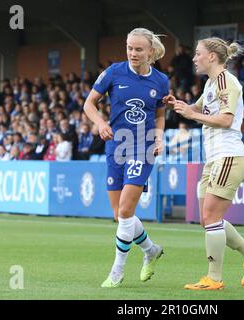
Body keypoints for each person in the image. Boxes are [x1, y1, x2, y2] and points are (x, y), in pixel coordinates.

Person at [169, 37, 244, 290]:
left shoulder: (227, 82)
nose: (194, 58)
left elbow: (225, 120)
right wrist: (178, 105)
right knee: (207, 219)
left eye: (197, 53)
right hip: (214, 159)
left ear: (212, 56)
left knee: (211, 216)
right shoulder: (212, 83)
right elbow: (195, 109)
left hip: (229, 156)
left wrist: (192, 114)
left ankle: (214, 279)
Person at [83, 28, 169, 288]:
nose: (133, 53)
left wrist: (160, 136)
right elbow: (89, 103)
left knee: (125, 211)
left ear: (150, 52)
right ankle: (151, 250)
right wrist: (99, 122)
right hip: (115, 146)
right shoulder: (113, 72)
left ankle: (117, 271)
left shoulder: (161, 80)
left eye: (138, 49)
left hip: (142, 147)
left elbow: (161, 113)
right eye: (130, 48)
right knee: (120, 216)